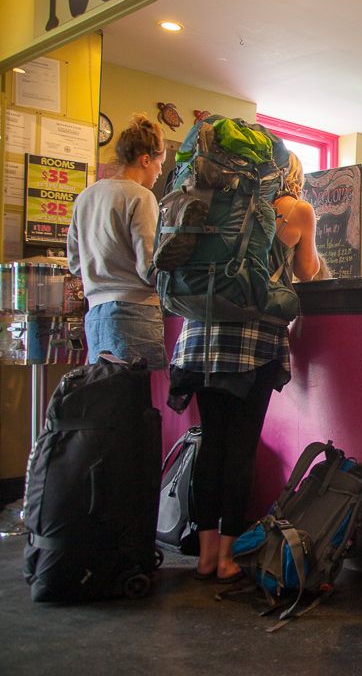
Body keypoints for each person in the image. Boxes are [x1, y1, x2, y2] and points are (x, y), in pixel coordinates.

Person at [169, 151, 319, 584]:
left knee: (211, 442)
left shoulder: (217, 203)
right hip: (252, 343)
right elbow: (308, 274)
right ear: (292, 175)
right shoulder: (296, 211)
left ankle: (204, 552)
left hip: (199, 337)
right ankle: (229, 558)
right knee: (240, 446)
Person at [67, 113, 168, 368]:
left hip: (95, 315)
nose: (160, 171)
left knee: (104, 397)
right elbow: (149, 266)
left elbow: (75, 264)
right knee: (133, 401)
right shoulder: (141, 197)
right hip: (135, 313)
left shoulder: (86, 197)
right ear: (146, 160)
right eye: (159, 163)